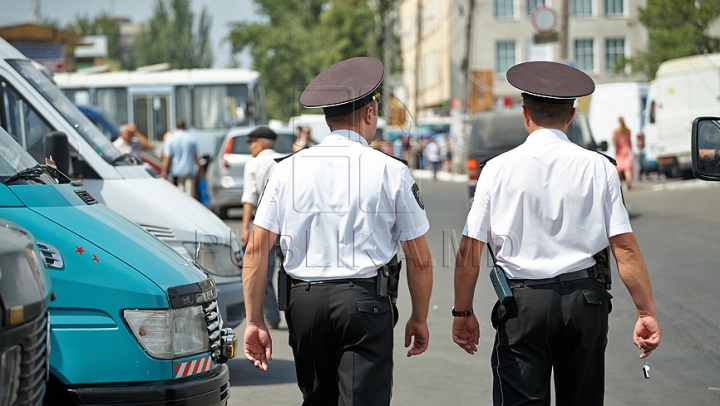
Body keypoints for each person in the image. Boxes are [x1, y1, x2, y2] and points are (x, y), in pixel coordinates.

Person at [452, 61, 660, 405]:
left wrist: (462, 312)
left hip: (523, 307)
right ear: (571, 115)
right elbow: (624, 247)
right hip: (585, 302)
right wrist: (646, 312)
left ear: (524, 113)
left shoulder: (496, 170)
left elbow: (469, 249)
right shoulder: (599, 167)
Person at [242, 57, 434, 406]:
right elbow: (419, 259)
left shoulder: (286, 170)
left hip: (305, 304)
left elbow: (256, 250)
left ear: (328, 119)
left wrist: (254, 320)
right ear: (370, 112)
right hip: (364, 303)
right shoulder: (391, 171)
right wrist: (419, 318)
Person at [240, 126, 285, 329]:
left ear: (259, 143)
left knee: (262, 271)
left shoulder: (253, 164)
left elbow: (249, 198)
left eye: (251, 143)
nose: (250, 147)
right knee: (289, 269)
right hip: (287, 222)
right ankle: (292, 311)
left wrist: (245, 228)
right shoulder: (286, 159)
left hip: (264, 222)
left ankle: (272, 317)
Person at [161, 119, 202, 198]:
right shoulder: (191, 138)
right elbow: (196, 156)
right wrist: (200, 169)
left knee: (179, 198)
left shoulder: (170, 139)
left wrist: (164, 171)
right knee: (190, 198)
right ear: (185, 126)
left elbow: (167, 157)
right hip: (189, 173)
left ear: (176, 126)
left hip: (176, 174)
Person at [613, 116, 634, 190]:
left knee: (619, 169)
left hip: (619, 151)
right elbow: (630, 141)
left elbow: (614, 141)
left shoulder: (616, 131)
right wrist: (631, 150)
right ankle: (628, 183)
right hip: (626, 150)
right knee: (627, 169)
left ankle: (619, 185)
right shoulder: (627, 130)